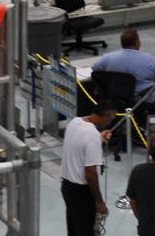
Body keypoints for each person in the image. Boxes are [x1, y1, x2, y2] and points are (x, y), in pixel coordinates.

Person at [62, 100, 116, 236]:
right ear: (105, 116)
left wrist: (100, 138)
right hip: (82, 193)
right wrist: (99, 201)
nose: (110, 123)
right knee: (86, 230)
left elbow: (80, 142)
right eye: (111, 118)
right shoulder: (92, 136)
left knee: (73, 228)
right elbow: (91, 172)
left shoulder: (75, 122)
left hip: (67, 187)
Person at [91, 29, 155, 115]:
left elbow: (95, 69)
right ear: (137, 43)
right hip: (140, 99)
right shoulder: (149, 59)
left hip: (115, 98)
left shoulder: (108, 57)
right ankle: (145, 121)